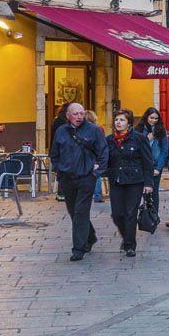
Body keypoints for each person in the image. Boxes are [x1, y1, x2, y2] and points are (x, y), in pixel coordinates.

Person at [49, 103, 107, 261]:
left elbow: (103, 151)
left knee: (81, 211)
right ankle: (90, 236)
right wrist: (58, 169)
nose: (79, 117)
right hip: (67, 177)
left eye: (81, 113)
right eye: (75, 114)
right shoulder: (61, 131)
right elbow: (54, 153)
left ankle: (78, 249)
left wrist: (96, 172)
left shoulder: (94, 130)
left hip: (86, 177)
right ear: (68, 115)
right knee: (73, 211)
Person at [104, 111, 153, 257]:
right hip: (116, 180)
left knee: (130, 213)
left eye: (122, 120)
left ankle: (130, 245)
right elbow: (105, 159)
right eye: (116, 120)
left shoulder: (139, 138)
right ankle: (126, 237)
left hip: (134, 181)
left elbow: (147, 161)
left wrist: (148, 183)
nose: (118, 122)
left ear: (129, 123)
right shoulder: (109, 140)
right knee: (117, 214)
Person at [136, 107, 169, 217]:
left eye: (156, 118)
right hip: (142, 164)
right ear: (146, 117)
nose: (153, 120)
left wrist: (158, 168)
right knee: (143, 191)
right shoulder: (139, 129)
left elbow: (164, 150)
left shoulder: (161, 130)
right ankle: (145, 215)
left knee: (154, 191)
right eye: (151, 118)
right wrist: (147, 140)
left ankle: (154, 216)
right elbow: (135, 147)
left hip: (155, 164)